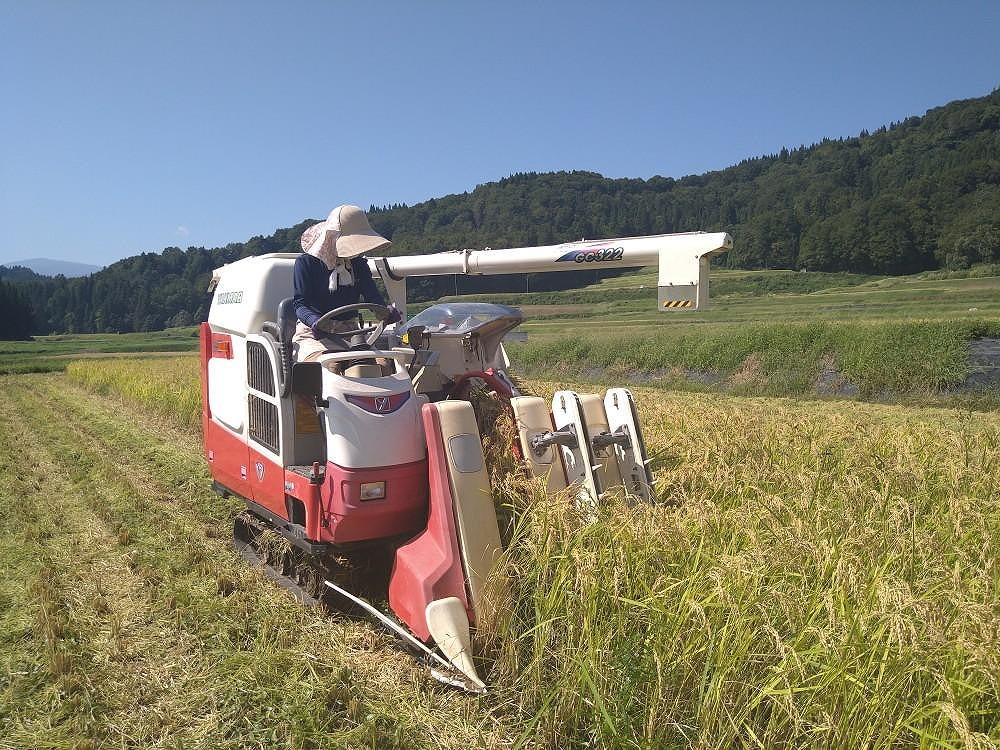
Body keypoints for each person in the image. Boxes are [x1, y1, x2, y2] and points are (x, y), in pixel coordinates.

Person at [292, 204, 401, 362]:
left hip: (349, 332)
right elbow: (299, 304)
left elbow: (372, 297)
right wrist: (314, 321)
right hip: (313, 333)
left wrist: (385, 312)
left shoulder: (358, 264)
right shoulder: (306, 263)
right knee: (330, 365)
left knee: (382, 364)